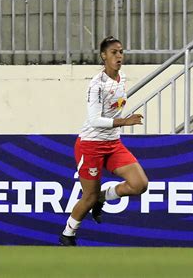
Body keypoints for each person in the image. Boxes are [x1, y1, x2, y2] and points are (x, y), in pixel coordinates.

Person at [59, 36, 149, 246]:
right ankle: (68, 234)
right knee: (87, 197)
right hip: (91, 145)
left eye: (120, 52)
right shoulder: (96, 85)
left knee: (140, 184)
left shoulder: (122, 78)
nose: (119, 56)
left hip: (113, 143)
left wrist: (120, 123)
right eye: (114, 53)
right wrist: (124, 121)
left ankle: (102, 197)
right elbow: (94, 120)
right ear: (103, 56)